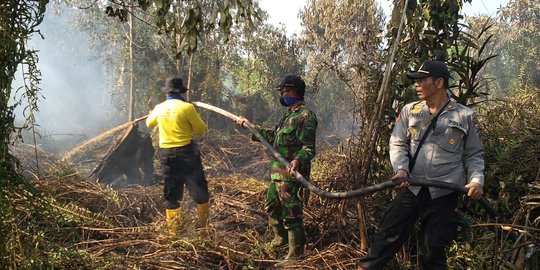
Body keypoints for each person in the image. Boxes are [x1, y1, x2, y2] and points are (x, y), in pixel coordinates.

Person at [357, 60, 485, 269]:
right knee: (385, 237)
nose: (416, 85)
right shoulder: (410, 111)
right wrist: (401, 169)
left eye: (422, 80)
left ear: (439, 83)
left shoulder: (465, 116)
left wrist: (476, 181)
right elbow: (397, 142)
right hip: (412, 187)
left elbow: (474, 154)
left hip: (444, 193)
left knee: (433, 251)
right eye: (415, 81)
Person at [235, 75, 318, 262]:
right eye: (281, 92)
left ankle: (296, 254)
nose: (282, 95)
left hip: (291, 175)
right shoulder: (288, 115)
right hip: (277, 173)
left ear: (295, 92)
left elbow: (309, 149)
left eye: (285, 91)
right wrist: (250, 127)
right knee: (271, 205)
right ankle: (279, 238)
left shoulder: (306, 116)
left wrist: (298, 160)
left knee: (291, 213)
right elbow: (273, 138)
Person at [146, 77, 210, 233]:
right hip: (187, 153)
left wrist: (154, 113)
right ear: (181, 92)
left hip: (167, 155)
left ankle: (174, 235)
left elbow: (149, 123)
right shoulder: (187, 108)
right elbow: (201, 130)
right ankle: (204, 228)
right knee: (199, 189)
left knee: (172, 192)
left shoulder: (159, 108)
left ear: (167, 92)